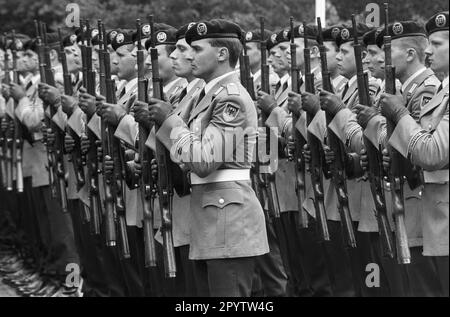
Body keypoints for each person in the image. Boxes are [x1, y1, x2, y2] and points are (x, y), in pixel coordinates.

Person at [135, 19, 269, 297]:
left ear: (222, 54)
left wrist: (169, 121)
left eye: (196, 49)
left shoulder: (232, 99)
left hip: (227, 222)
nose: (187, 56)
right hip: (207, 219)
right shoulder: (205, 95)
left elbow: (204, 161)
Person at [379, 11, 449, 297]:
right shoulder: (442, 92)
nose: (428, 51)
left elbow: (432, 153)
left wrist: (398, 112)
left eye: (438, 43)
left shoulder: (433, 91)